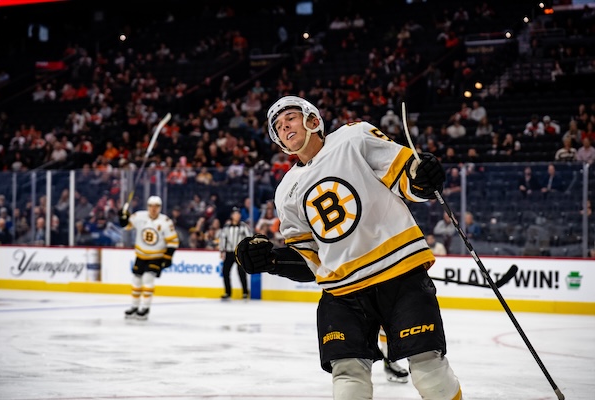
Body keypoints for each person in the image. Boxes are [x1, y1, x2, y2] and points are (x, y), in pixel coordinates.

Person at [234, 96, 461, 400]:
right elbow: (309, 260)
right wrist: (272, 261)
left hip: (399, 273)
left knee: (428, 368)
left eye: (290, 117)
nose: (283, 125)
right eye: (277, 125)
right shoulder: (285, 191)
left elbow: (407, 178)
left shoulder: (354, 136)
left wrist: (422, 178)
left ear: (313, 120)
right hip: (342, 292)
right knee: (347, 376)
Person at [118, 196, 179, 320]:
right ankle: (134, 306)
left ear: (160, 208)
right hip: (141, 255)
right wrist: (122, 217)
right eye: (151, 206)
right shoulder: (139, 216)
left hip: (156, 256)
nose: (153, 209)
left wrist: (168, 257)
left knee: (147, 279)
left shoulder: (166, 222)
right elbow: (126, 226)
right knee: (136, 280)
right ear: (147, 206)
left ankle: (145, 307)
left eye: (156, 206)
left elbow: (173, 241)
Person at [219, 207, 252, 300]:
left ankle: (245, 292)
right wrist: (222, 250)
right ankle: (227, 292)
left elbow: (249, 238)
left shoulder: (243, 226)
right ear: (232, 215)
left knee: (241, 272)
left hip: (240, 253)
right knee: (225, 272)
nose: (237, 216)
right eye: (235, 214)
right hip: (229, 252)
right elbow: (223, 239)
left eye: (238, 214)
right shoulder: (226, 227)